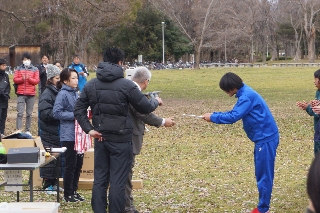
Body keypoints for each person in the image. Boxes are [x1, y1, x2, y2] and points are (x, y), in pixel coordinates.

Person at [74, 47, 162, 213]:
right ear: (120, 63)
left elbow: (78, 109)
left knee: (100, 180)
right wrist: (156, 101)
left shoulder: (91, 84)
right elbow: (144, 107)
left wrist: (89, 129)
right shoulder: (127, 85)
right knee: (118, 182)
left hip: (101, 138)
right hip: (121, 140)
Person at [202, 72, 279, 213]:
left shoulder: (246, 97)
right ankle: (263, 207)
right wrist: (214, 115)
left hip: (266, 138)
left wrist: (213, 117)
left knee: (264, 175)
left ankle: (263, 209)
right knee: (261, 173)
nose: (225, 92)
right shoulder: (245, 93)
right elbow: (234, 112)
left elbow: (233, 116)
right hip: (262, 138)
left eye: (225, 89)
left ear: (231, 87)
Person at [124, 67, 175, 213]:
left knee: (125, 174)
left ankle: (128, 205)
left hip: (125, 137)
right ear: (146, 81)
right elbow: (142, 113)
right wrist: (163, 121)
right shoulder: (134, 92)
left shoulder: (128, 89)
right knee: (126, 174)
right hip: (128, 138)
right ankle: (126, 207)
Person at [53, 68, 84, 202]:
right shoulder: (62, 94)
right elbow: (57, 113)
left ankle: (74, 190)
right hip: (68, 135)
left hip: (78, 134)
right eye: (73, 78)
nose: (76, 80)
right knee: (70, 165)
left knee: (78, 164)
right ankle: (68, 193)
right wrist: (74, 115)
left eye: (77, 78)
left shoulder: (76, 93)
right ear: (65, 81)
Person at [38, 64, 62, 194]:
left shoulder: (57, 91)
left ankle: (54, 182)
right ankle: (47, 184)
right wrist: (59, 114)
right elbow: (45, 113)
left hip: (56, 131)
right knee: (49, 158)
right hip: (48, 131)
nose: (59, 80)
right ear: (50, 79)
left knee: (57, 158)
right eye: (57, 77)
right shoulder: (47, 93)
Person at [13, 52, 40, 136]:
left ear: (30, 60)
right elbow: (15, 79)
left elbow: (36, 81)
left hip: (31, 94)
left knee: (29, 113)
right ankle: (18, 129)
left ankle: (27, 130)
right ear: (22, 60)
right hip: (21, 93)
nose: (26, 61)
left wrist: (29, 79)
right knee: (20, 113)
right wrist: (22, 79)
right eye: (25, 59)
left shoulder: (35, 69)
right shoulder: (18, 69)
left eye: (28, 59)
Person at [297, 69, 320, 155]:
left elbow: (317, 112)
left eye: (315, 79)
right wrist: (309, 106)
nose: (314, 81)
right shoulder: (318, 92)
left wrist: (309, 108)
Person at [0, 59, 10, 137]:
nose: (4, 67)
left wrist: (6, 93)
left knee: (3, 116)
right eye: (3, 65)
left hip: (4, 100)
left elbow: (8, 86)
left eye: (5, 65)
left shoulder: (6, 75)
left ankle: (2, 132)